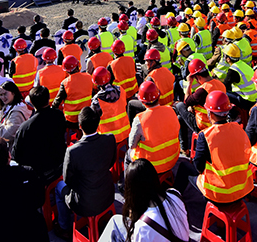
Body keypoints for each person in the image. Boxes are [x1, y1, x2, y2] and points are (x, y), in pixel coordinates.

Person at [55, 107, 117, 238]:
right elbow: (111, 163)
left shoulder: (73, 151)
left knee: (59, 187)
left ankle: (63, 227)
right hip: (107, 193)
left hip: (85, 203)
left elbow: (67, 180)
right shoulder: (110, 139)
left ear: (80, 126)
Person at [99, 159, 190, 242]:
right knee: (115, 220)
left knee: (114, 225)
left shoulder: (143, 226)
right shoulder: (174, 194)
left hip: (146, 230)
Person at [195, 91, 253, 204]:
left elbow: (198, 166)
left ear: (209, 113)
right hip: (243, 189)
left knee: (187, 170)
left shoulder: (205, 136)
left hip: (218, 194)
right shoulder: (239, 129)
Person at [11, 86, 67, 185]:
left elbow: (16, 156)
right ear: (48, 98)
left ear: (31, 102)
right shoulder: (59, 115)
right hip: (58, 165)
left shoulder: (25, 128)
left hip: (37, 173)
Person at [126, 82, 180, 174]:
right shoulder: (170, 110)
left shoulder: (139, 119)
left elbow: (132, 145)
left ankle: (127, 186)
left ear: (142, 101)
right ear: (158, 96)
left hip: (151, 165)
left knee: (127, 156)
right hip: (173, 158)